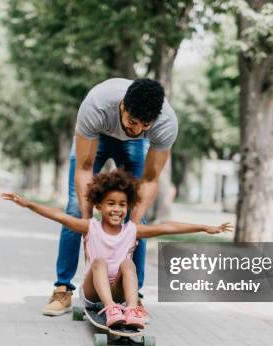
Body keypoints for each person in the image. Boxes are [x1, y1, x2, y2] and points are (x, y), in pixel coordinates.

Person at [2, 169, 233, 328]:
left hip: (120, 292)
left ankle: (131, 309)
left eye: (122, 205)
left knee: (127, 263)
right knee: (100, 261)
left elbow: (166, 227)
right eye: (111, 204)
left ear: (129, 206)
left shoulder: (132, 230)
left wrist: (204, 227)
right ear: (99, 205)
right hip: (94, 293)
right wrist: (28, 203)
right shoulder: (89, 227)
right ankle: (111, 309)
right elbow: (58, 216)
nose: (117, 209)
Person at [44, 77, 179, 317]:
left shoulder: (166, 123)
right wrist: (88, 226)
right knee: (75, 211)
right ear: (123, 106)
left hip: (135, 147)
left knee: (138, 223)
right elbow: (85, 168)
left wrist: (133, 225)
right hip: (98, 136)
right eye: (132, 121)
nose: (136, 129)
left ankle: (133, 297)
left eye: (144, 124)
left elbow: (149, 180)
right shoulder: (97, 104)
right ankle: (62, 288)